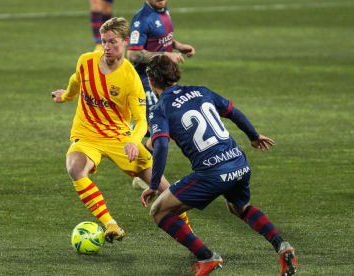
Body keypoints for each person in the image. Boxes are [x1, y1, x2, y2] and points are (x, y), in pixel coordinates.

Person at [140, 55, 297, 276]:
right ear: (175, 73)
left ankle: (206, 257)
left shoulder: (160, 109)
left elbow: (161, 147)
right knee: (237, 207)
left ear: (151, 81)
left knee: (159, 211)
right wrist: (253, 135)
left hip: (212, 174)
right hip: (239, 163)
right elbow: (233, 111)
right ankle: (281, 245)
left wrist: (154, 184)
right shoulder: (201, 91)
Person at [51, 17, 190, 243]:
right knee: (75, 168)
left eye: (112, 42)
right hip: (87, 135)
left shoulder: (131, 79)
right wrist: (66, 95)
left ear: (126, 42)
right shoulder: (86, 61)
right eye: (104, 42)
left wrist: (133, 142)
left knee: (166, 191)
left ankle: (189, 235)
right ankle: (111, 224)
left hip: (120, 138)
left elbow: (141, 121)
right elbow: (77, 80)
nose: (106, 47)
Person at [127, 0, 196, 189]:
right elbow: (132, 54)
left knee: (162, 128)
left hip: (161, 77)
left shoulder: (163, 9)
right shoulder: (142, 19)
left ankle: (143, 172)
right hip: (147, 80)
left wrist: (177, 45)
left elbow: (160, 38)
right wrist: (164, 56)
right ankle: (144, 174)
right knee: (158, 128)